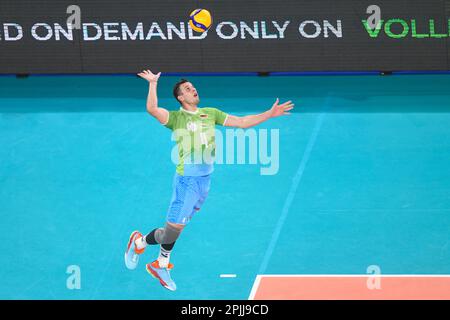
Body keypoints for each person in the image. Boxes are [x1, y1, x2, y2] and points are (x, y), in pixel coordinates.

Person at [124, 69, 294, 291]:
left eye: (193, 86)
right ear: (180, 98)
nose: (193, 89)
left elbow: (241, 122)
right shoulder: (176, 118)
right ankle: (160, 264)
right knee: (174, 227)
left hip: (204, 181)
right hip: (187, 180)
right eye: (187, 89)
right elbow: (152, 109)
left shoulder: (210, 113)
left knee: (174, 230)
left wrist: (268, 114)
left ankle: (139, 242)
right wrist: (153, 83)